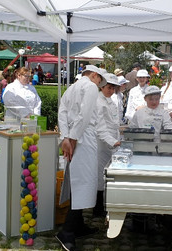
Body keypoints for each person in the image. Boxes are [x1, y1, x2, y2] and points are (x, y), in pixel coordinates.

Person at [56, 65, 107, 251]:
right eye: (99, 80)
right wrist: (73, 138)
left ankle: (77, 226)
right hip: (83, 138)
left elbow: (62, 112)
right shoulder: (91, 87)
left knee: (77, 182)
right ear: (93, 75)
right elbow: (85, 114)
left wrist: (65, 137)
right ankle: (67, 231)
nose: (99, 84)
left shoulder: (71, 88)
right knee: (84, 182)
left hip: (74, 137)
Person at [94, 73, 122, 217]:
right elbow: (100, 128)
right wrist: (113, 141)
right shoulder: (98, 102)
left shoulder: (111, 101)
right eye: (109, 88)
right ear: (102, 87)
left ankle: (106, 204)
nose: (111, 91)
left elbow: (114, 123)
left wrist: (118, 137)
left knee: (108, 174)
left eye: (113, 88)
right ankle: (98, 208)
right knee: (100, 175)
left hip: (112, 142)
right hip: (101, 143)